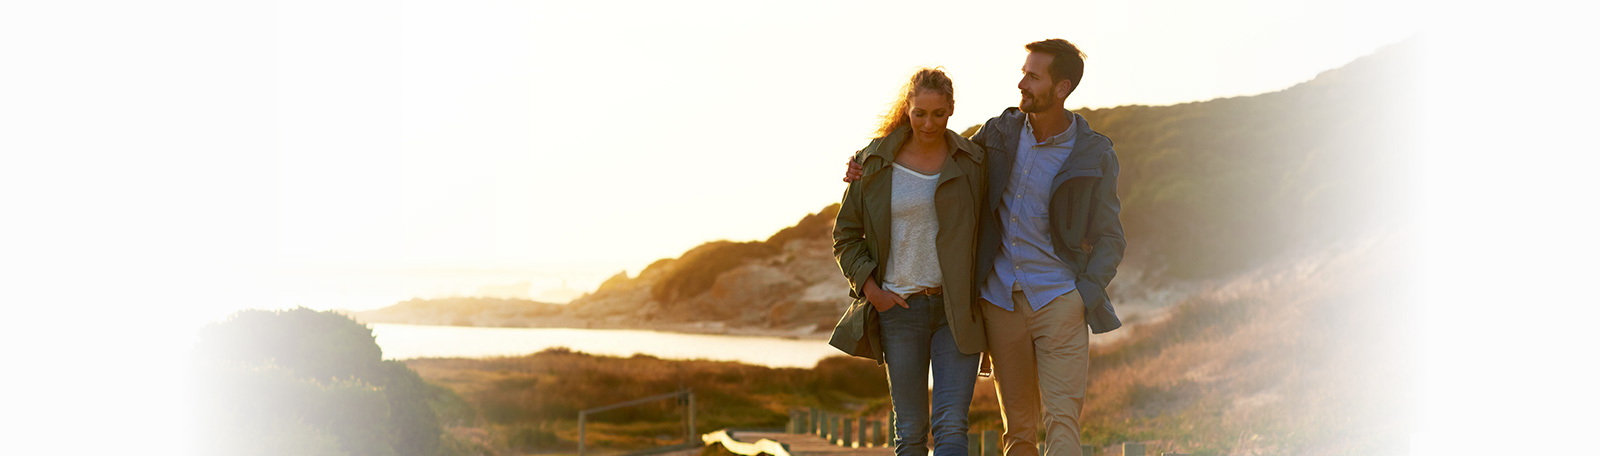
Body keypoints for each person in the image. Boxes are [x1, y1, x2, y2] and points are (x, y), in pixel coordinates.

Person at [844, 39, 1126, 456]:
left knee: (1062, 420)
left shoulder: (1093, 152)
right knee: (1018, 430)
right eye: (1024, 72)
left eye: (1033, 76)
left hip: (1059, 299)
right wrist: (867, 157)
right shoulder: (1000, 132)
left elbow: (1110, 236)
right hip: (999, 303)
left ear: (1062, 87)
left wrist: (1083, 295)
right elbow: (935, 147)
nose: (1021, 83)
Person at [828, 67, 988, 456]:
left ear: (951, 110)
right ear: (908, 109)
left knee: (951, 427)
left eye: (938, 113)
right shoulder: (874, 162)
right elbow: (846, 236)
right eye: (920, 113)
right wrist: (873, 292)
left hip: (957, 312)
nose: (928, 123)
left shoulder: (973, 161)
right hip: (899, 310)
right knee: (911, 432)